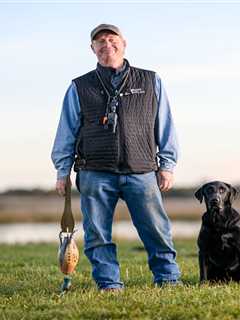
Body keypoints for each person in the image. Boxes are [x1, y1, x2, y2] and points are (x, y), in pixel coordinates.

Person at [51, 23, 181, 291]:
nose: (106, 45)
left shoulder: (150, 80)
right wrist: (62, 171)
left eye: (112, 39)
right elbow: (66, 131)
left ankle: (168, 278)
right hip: (94, 172)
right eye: (100, 42)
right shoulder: (79, 86)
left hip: (142, 170)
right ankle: (109, 283)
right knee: (97, 234)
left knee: (156, 230)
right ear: (92, 49)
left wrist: (166, 165)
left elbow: (165, 125)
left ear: (123, 43)